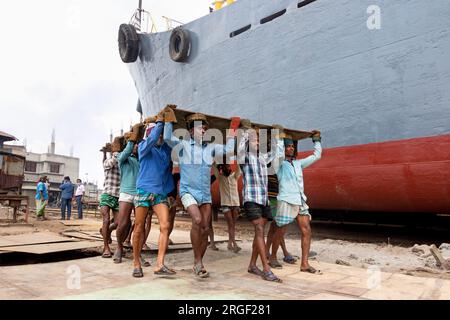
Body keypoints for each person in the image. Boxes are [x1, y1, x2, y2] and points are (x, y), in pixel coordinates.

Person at [164, 106, 239, 278]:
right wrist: (168, 119)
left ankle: (198, 262)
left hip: (205, 194)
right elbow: (168, 138)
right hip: (188, 192)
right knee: (197, 220)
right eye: (200, 128)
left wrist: (233, 129)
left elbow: (228, 150)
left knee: (205, 228)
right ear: (191, 131)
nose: (203, 130)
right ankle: (197, 261)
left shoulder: (211, 148)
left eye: (205, 128)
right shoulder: (182, 145)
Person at [270, 129, 322, 274]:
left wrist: (316, 140)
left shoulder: (298, 163)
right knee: (280, 232)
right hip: (286, 200)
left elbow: (317, 155)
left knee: (307, 230)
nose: (291, 148)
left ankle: (304, 264)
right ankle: (273, 257)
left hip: (300, 201)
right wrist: (280, 139)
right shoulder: (278, 163)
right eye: (288, 146)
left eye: (292, 146)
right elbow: (278, 155)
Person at [237, 119, 283, 282]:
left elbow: (275, 152)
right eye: (255, 140)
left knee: (260, 231)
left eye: (258, 139)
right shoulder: (245, 158)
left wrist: (277, 137)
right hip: (251, 199)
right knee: (259, 231)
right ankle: (266, 269)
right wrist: (246, 131)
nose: (257, 141)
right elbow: (240, 148)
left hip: (263, 200)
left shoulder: (262, 158)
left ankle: (252, 265)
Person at [131, 111, 176, 278]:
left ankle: (160, 264)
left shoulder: (164, 150)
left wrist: (168, 123)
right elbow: (152, 137)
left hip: (159, 193)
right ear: (150, 133)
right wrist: (159, 122)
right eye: (157, 133)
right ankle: (136, 263)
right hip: (143, 191)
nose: (160, 136)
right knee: (138, 227)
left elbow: (169, 140)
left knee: (165, 225)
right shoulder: (144, 147)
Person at [113, 124, 141, 264]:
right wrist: (132, 138)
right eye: (134, 145)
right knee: (122, 223)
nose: (136, 147)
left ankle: (137, 252)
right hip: (126, 193)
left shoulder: (141, 160)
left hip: (139, 194)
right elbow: (128, 149)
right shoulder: (123, 158)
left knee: (139, 224)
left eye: (137, 145)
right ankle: (119, 247)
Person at [213, 161, 242, 253]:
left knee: (233, 224)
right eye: (226, 167)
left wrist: (238, 159)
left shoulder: (234, 176)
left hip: (235, 203)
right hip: (225, 204)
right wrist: (216, 163)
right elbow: (215, 168)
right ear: (222, 169)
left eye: (229, 166)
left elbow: (239, 169)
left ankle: (230, 243)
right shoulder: (220, 178)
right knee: (231, 224)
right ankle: (234, 244)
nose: (228, 168)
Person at [99, 139, 121, 258]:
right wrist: (113, 151)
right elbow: (111, 161)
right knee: (106, 219)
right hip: (107, 194)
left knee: (118, 223)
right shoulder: (108, 162)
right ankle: (106, 247)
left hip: (118, 195)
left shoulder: (122, 162)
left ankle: (105, 231)